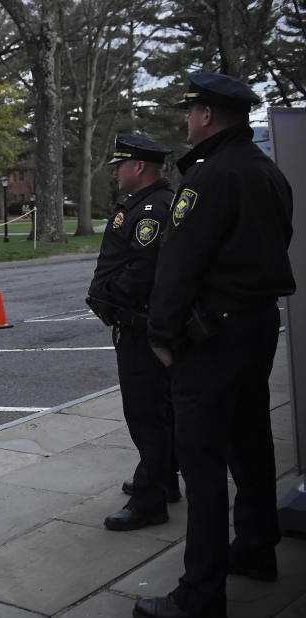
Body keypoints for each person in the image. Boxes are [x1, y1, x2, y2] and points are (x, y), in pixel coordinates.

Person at [134, 73, 295, 618]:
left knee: (201, 465)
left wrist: (161, 335)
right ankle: (255, 549)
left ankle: (199, 596)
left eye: (191, 111)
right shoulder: (266, 172)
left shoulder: (209, 177)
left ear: (206, 116)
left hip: (212, 337)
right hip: (255, 326)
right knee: (251, 442)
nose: (186, 119)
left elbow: (179, 264)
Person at [87, 133, 179, 533]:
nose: (116, 173)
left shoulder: (153, 209)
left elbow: (143, 271)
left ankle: (150, 501)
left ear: (139, 167)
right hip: (137, 324)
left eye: (120, 165)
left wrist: (109, 295)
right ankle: (161, 478)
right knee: (159, 411)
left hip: (140, 327)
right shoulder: (145, 203)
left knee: (146, 414)